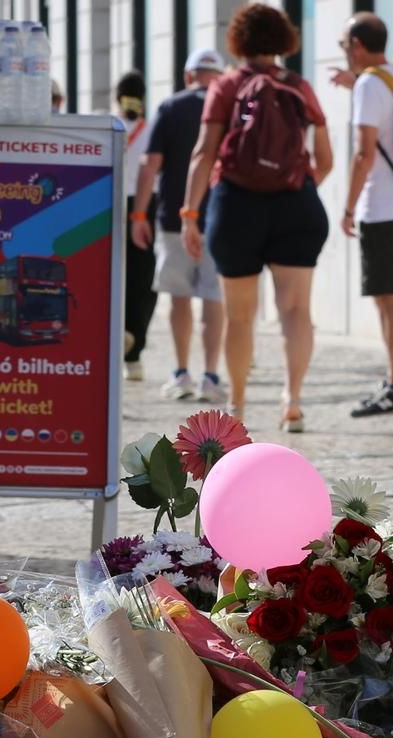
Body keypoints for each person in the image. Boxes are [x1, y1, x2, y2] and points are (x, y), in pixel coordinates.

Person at [180, 3, 333, 430]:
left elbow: (203, 152)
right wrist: (296, 186)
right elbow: (325, 157)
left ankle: (238, 405)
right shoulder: (299, 86)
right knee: (296, 310)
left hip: (236, 205)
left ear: (239, 40)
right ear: (284, 39)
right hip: (296, 204)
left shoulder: (227, 85)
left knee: (240, 314)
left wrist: (190, 213)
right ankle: (293, 399)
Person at [331, 13, 393, 418]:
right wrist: (356, 86)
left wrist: (348, 207)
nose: (344, 53)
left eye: (344, 45)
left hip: (380, 206)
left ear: (357, 46)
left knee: (390, 300)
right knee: (392, 298)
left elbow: (364, 153)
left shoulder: (370, 84)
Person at [134, 48, 227, 403]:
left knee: (180, 297)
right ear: (219, 77)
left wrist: (139, 214)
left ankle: (181, 372)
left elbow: (149, 163)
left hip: (174, 216)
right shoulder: (228, 107)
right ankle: (212, 375)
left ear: (189, 76)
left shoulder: (171, 107)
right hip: (218, 217)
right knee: (214, 298)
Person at [118, 72, 155, 383]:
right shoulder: (152, 129)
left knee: (116, 278)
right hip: (147, 207)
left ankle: (118, 340)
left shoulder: (111, 128)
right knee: (143, 282)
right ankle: (134, 350)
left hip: (113, 205)